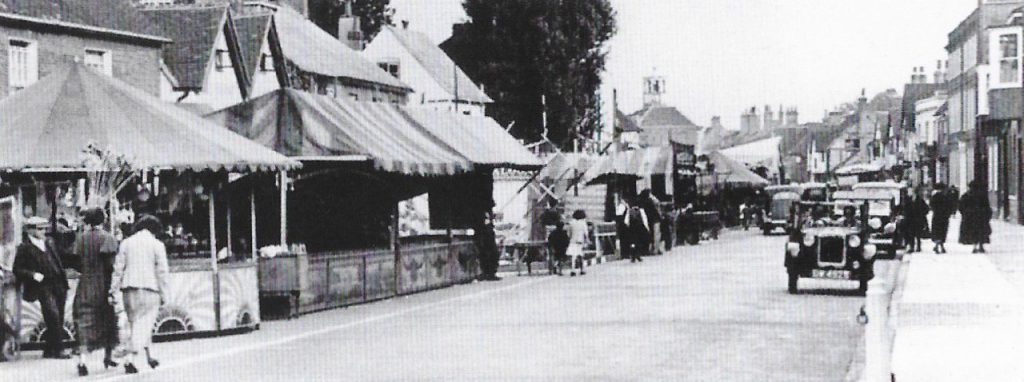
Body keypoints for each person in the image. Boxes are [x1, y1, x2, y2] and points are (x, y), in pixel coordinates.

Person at [109, 215, 170, 374]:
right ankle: (126, 355)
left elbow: (118, 269)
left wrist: (113, 290)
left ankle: (145, 357)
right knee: (144, 324)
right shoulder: (157, 245)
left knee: (135, 324)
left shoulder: (126, 243)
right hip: (150, 289)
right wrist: (165, 295)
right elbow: (162, 272)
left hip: (128, 289)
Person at [70, 208, 120, 376]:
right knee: (107, 319)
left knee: (84, 322)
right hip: (102, 284)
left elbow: (76, 262)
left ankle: (83, 360)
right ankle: (108, 356)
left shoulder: (81, 239)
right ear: (102, 220)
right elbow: (111, 265)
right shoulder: (108, 238)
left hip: (84, 284)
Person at [13, 216, 71, 359]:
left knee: (59, 315)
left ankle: (49, 349)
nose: (43, 231)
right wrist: (33, 275)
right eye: (39, 229)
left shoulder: (49, 242)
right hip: (42, 285)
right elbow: (17, 269)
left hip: (58, 283)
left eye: (44, 228)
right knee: (52, 315)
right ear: (30, 230)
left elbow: (60, 258)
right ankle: (59, 350)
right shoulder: (24, 247)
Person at [959, 180, 992, 253]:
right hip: (981, 217)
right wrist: (987, 216)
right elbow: (987, 207)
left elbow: (961, 207)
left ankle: (974, 246)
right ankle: (981, 246)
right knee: (981, 232)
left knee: (972, 233)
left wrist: (965, 214)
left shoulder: (966, 195)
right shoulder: (982, 196)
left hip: (969, 218)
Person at [474, 212, 501, 281]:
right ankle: (488, 273)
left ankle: (490, 273)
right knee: (486, 258)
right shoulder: (483, 226)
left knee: (492, 257)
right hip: (486, 244)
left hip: (489, 243)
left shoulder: (488, 225)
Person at [929, 184, 952, 254]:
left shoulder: (934, 197)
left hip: (936, 216)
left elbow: (931, 205)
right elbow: (950, 206)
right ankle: (941, 246)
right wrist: (948, 213)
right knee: (943, 231)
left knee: (937, 231)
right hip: (944, 216)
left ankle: (937, 245)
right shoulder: (946, 197)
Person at [638, 190, 662, 255]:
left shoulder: (642, 201)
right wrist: (653, 197)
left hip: (648, 220)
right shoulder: (650, 201)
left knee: (651, 234)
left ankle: (652, 248)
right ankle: (656, 249)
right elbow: (657, 203)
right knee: (656, 234)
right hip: (655, 219)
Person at [566, 210, 589, 276]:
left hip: (573, 241)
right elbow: (586, 233)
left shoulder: (571, 223)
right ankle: (582, 269)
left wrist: (570, 238)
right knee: (581, 255)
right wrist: (587, 240)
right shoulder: (583, 223)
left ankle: (573, 270)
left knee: (573, 256)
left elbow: (569, 233)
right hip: (580, 241)